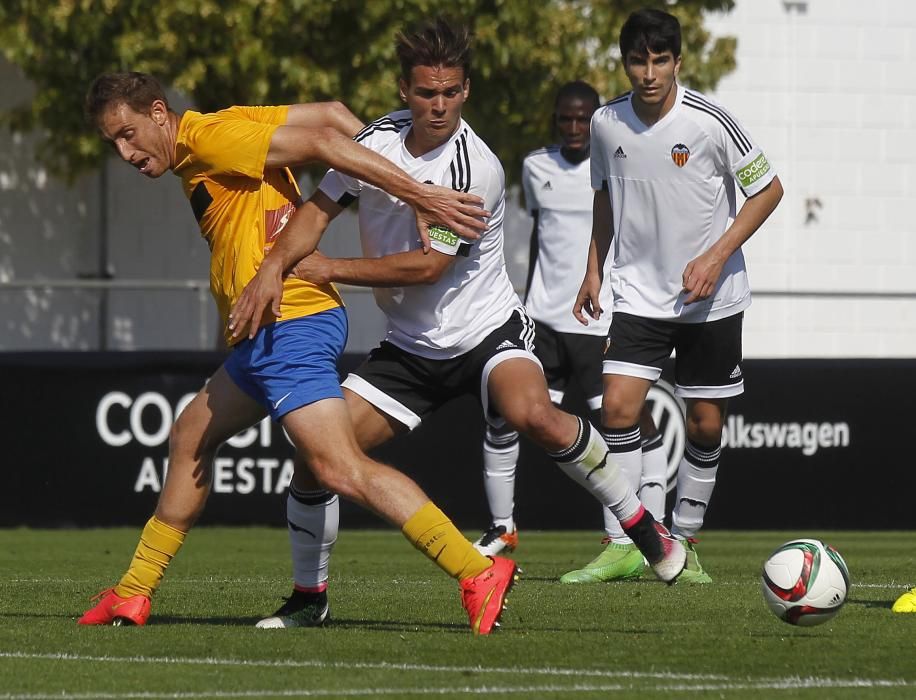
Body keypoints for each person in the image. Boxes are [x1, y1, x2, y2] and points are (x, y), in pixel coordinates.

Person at [229, 17, 687, 627]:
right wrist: (273, 268)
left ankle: (638, 523)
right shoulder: (375, 143)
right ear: (404, 91)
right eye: (426, 94)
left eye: (450, 94)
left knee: (536, 416)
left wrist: (327, 268)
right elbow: (315, 211)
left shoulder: (477, 168)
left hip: (487, 331)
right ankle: (310, 600)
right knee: (316, 458)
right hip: (410, 348)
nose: (438, 106)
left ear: (465, 91)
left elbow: (427, 266)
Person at [76, 71, 523, 636]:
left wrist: (418, 193)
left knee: (340, 467)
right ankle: (133, 594)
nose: (125, 151)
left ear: (159, 113)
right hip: (263, 332)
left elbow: (323, 145)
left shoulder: (209, 138)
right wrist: (401, 181)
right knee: (191, 434)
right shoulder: (223, 126)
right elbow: (335, 115)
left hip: (293, 321)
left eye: (128, 133)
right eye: (113, 142)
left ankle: (475, 570)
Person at [573, 8, 784, 584]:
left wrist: (716, 257)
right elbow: (603, 198)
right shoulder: (605, 123)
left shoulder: (711, 122)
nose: (648, 72)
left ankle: (684, 542)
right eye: (637, 59)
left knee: (705, 426)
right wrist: (593, 270)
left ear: (677, 62)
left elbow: (768, 190)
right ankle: (625, 541)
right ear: (624, 63)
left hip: (710, 299)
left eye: (659, 59)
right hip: (638, 294)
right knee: (616, 407)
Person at [471, 81, 671, 589]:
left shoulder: (615, 162)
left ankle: (641, 533)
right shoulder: (535, 167)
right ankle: (502, 528)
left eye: (584, 119)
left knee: (626, 424)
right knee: (507, 416)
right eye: (566, 119)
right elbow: (542, 238)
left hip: (599, 320)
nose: (575, 128)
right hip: (543, 320)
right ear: (556, 120)